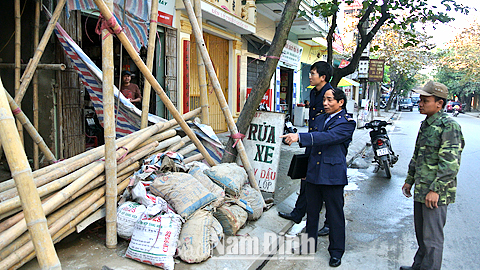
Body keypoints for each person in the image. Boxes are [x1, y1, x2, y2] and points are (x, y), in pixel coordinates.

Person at [281, 88, 355, 267]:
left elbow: (327, 137)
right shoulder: (320, 118)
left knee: (335, 215)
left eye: (330, 100)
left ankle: (336, 252)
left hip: (332, 176)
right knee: (312, 213)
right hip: (314, 172)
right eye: (324, 100)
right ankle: (308, 245)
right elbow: (314, 143)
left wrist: (299, 136)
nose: (325, 103)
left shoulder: (347, 122)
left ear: (340, 102)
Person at [400, 81, 464, 270]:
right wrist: (409, 181)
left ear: (439, 103)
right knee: (421, 235)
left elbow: (450, 164)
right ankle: (418, 266)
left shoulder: (449, 126)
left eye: (425, 100)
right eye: (420, 100)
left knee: (432, 239)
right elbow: (417, 155)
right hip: (421, 188)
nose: (420, 103)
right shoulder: (427, 124)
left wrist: (435, 190)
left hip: (435, 193)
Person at [278, 61, 333, 236]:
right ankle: (298, 213)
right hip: (311, 143)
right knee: (305, 179)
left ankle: (330, 223)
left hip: (325, 146)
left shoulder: (331, 94)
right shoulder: (313, 92)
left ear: (322, 77)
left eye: (313, 73)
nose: (310, 76)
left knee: (326, 186)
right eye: (310, 73)